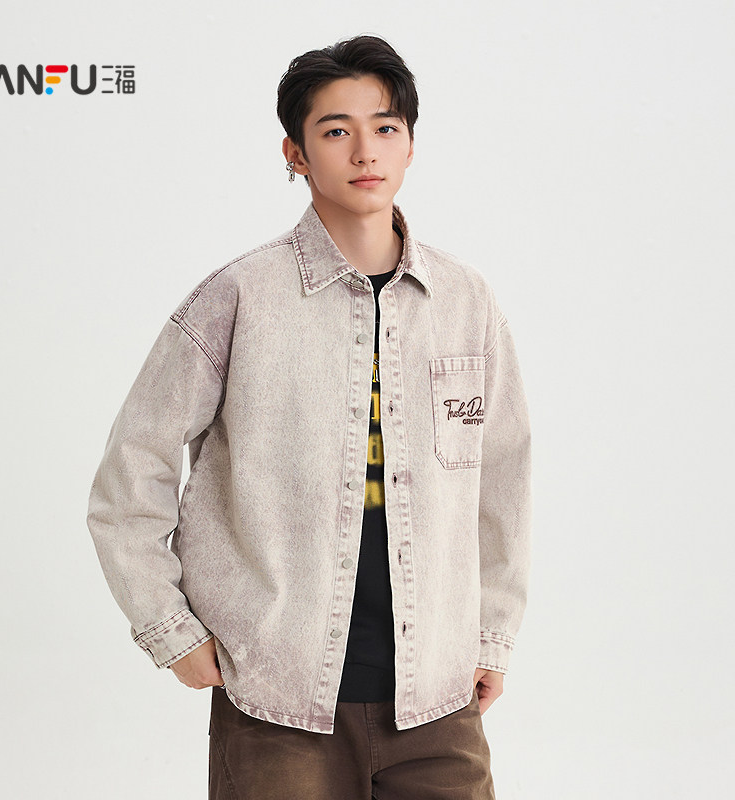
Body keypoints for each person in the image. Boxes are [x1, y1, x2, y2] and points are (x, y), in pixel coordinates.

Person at [87, 33, 532, 800]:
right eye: (335, 130)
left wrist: (491, 634)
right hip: (278, 702)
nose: (365, 150)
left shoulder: (466, 303)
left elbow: (502, 481)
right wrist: (171, 631)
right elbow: (132, 472)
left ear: (410, 145)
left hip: (438, 701)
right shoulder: (238, 297)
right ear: (295, 153)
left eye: (385, 126)